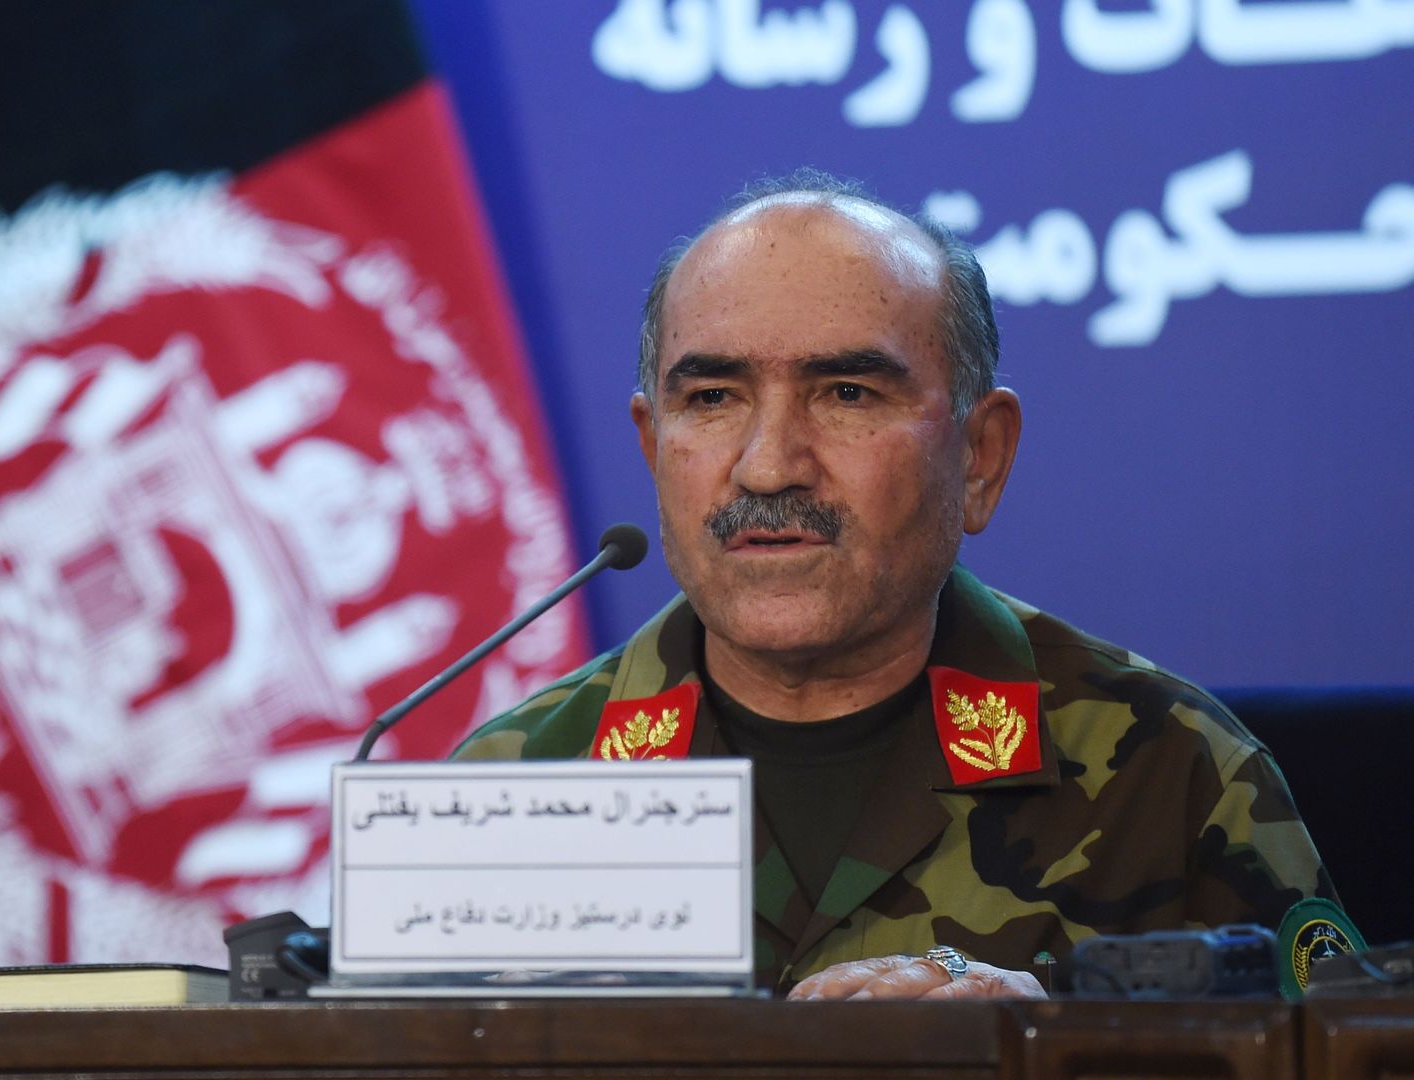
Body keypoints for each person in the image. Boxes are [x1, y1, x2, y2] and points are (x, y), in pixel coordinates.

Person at [453, 170, 1335, 1001]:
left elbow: (1338, 1050)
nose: (767, 469)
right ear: (653, 448)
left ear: (979, 455)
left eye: (845, 394)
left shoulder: (1173, 772)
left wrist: (1063, 1038)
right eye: (714, 398)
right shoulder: (510, 786)